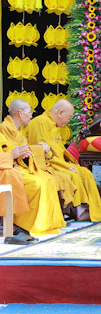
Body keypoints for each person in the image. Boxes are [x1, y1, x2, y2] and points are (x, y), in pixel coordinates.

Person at [26, 99, 101, 223]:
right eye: (69, 117)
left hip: (59, 164)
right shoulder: (40, 122)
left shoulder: (54, 125)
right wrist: (65, 166)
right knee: (73, 174)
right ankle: (78, 211)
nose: (68, 121)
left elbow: (59, 150)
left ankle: (93, 210)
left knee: (85, 173)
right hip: (48, 166)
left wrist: (68, 163)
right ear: (60, 113)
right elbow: (42, 152)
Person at [0, 99, 72, 237]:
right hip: (9, 168)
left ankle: (44, 223)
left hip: (18, 166)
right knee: (36, 183)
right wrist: (21, 152)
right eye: (30, 112)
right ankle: (22, 224)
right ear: (20, 113)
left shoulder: (18, 130)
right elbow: (11, 151)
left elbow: (21, 150)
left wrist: (33, 149)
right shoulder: (5, 128)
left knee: (48, 180)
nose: (32, 115)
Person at [0, 133, 32, 244]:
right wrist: (10, 156)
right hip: (5, 169)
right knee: (10, 176)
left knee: (34, 183)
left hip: (7, 167)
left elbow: (8, 147)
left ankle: (22, 227)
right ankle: (12, 228)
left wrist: (19, 153)